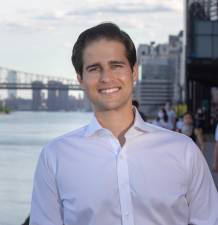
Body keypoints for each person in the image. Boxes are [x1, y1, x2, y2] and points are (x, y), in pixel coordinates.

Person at [30, 22, 218, 225]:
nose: (106, 77)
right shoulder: (55, 157)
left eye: (116, 66)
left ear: (134, 72)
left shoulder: (184, 151)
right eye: (94, 68)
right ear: (80, 79)